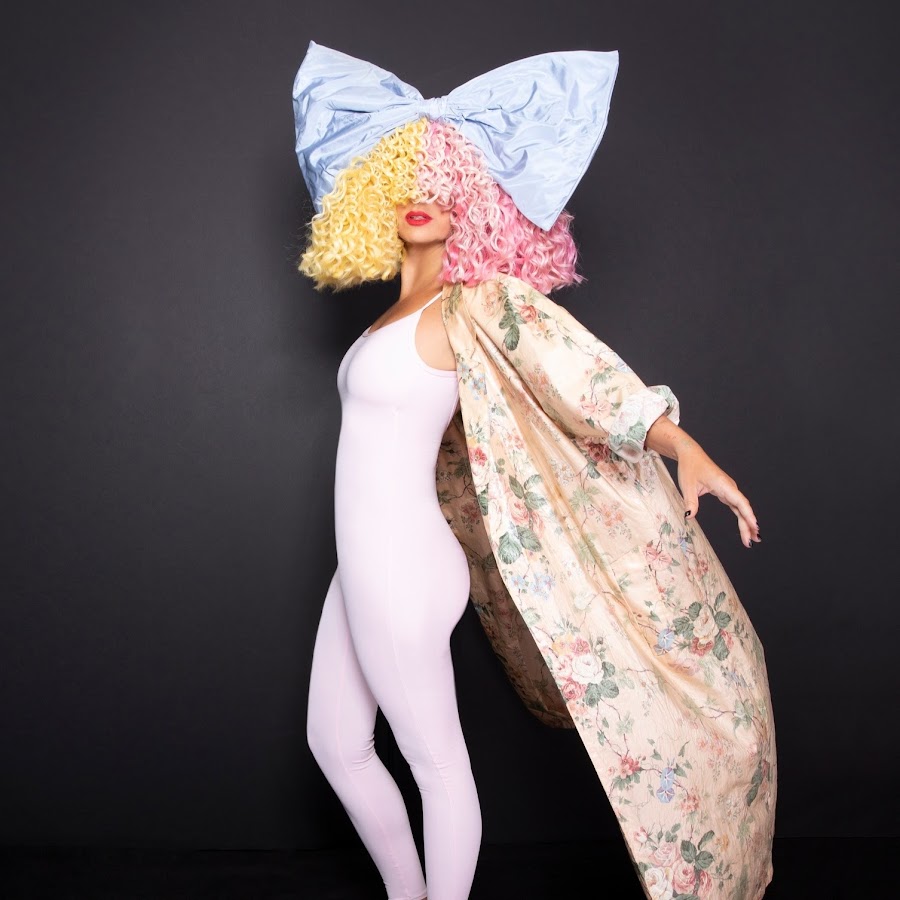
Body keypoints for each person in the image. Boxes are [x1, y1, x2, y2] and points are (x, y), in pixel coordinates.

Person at [294, 43, 776, 900]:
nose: (424, 197)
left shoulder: (477, 305)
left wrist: (683, 447)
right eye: (407, 179)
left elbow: (584, 380)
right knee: (337, 746)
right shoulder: (388, 319)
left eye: (448, 184)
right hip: (359, 565)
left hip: (402, 565)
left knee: (434, 762)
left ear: (478, 205)